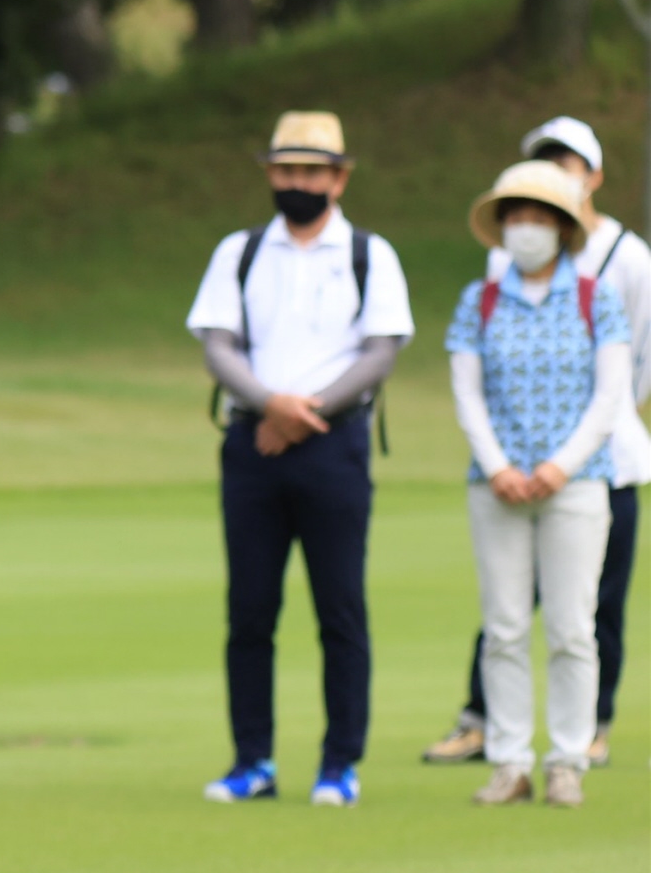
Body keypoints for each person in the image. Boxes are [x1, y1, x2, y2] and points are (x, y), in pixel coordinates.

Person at [185, 111, 413, 808]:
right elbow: (218, 343)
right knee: (250, 608)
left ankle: (340, 761)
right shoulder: (242, 250)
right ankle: (252, 758)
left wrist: (304, 409)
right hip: (253, 440)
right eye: (286, 171)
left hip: (335, 441)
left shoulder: (369, 253)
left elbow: (381, 351)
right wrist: (270, 403)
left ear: (339, 178)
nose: (298, 183)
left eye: (311, 171)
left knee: (339, 607)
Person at [423, 115, 651, 767]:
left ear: (592, 178)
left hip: (600, 462)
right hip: (503, 472)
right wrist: (503, 463)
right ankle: (498, 742)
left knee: (585, 614)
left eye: (567, 164)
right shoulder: (492, 280)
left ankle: (584, 738)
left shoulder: (624, 261)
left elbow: (632, 365)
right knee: (506, 617)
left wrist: (566, 455)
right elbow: (474, 384)